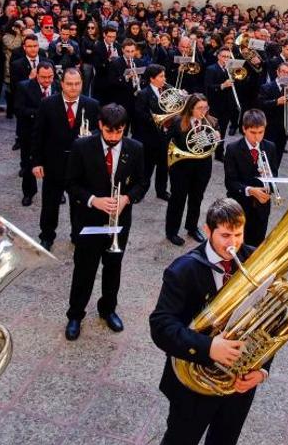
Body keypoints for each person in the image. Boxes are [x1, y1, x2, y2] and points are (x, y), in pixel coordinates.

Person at [149, 198, 268, 445]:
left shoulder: (255, 259)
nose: (233, 243)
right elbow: (160, 326)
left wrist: (262, 370)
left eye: (238, 234)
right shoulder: (183, 270)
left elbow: (268, 321)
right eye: (225, 235)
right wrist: (209, 347)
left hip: (238, 384)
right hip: (193, 385)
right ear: (208, 229)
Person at [64, 104, 147, 340]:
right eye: (109, 132)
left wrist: (127, 198)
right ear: (100, 125)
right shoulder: (82, 146)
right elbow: (71, 183)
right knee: (84, 269)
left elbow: (142, 183)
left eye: (119, 132)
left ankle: (108, 309)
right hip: (89, 218)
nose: (113, 137)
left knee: (113, 267)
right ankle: (75, 314)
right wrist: (93, 200)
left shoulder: (135, 148)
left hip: (119, 221)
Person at [31, 67, 100, 251]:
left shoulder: (92, 105)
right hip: (54, 164)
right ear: (61, 84)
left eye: (77, 84)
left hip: (79, 166)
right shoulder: (47, 104)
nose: (73, 88)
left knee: (78, 205)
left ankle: (77, 235)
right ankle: (47, 236)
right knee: (50, 204)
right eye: (69, 84)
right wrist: (37, 162)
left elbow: (97, 133)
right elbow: (38, 135)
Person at [165, 93, 215, 246]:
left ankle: (192, 227)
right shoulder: (178, 122)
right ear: (190, 108)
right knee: (177, 199)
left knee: (197, 198)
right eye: (199, 108)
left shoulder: (211, 122)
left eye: (205, 108)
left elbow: (211, 146)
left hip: (203, 167)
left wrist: (216, 138)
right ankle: (171, 231)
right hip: (181, 166)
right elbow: (168, 144)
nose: (203, 111)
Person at [224, 109, 279, 246]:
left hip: (262, 207)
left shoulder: (270, 147)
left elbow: (274, 176)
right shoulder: (233, 149)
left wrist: (268, 179)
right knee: (236, 244)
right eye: (253, 133)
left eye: (261, 132)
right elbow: (230, 182)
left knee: (256, 245)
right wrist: (250, 190)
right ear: (244, 129)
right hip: (240, 206)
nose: (257, 137)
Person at [15, 61, 58, 206]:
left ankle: (57, 191)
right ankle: (28, 193)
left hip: (53, 134)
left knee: (55, 164)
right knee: (29, 165)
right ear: (36, 76)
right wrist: (42, 113)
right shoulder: (24, 87)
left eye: (50, 77)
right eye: (43, 77)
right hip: (31, 133)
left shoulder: (58, 86)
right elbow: (20, 110)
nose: (47, 81)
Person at [132, 63, 171, 200]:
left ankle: (161, 191)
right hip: (150, 136)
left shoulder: (167, 89)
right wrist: (157, 120)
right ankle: (141, 191)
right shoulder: (144, 94)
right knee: (147, 167)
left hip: (165, 136)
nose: (164, 79)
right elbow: (139, 114)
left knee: (163, 166)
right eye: (161, 76)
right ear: (152, 79)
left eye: (164, 76)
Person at [204, 47, 239, 161]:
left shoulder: (231, 69)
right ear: (218, 56)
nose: (226, 59)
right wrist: (222, 85)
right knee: (211, 130)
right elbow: (208, 87)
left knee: (223, 131)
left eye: (228, 57)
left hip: (227, 105)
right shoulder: (211, 69)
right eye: (224, 56)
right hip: (215, 104)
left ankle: (219, 153)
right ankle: (207, 153)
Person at [257, 62, 288, 167]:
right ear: (277, 72)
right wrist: (276, 102)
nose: (286, 75)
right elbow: (260, 105)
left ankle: (274, 177)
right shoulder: (266, 87)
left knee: (278, 156)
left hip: (284, 128)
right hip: (270, 127)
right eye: (283, 72)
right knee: (266, 156)